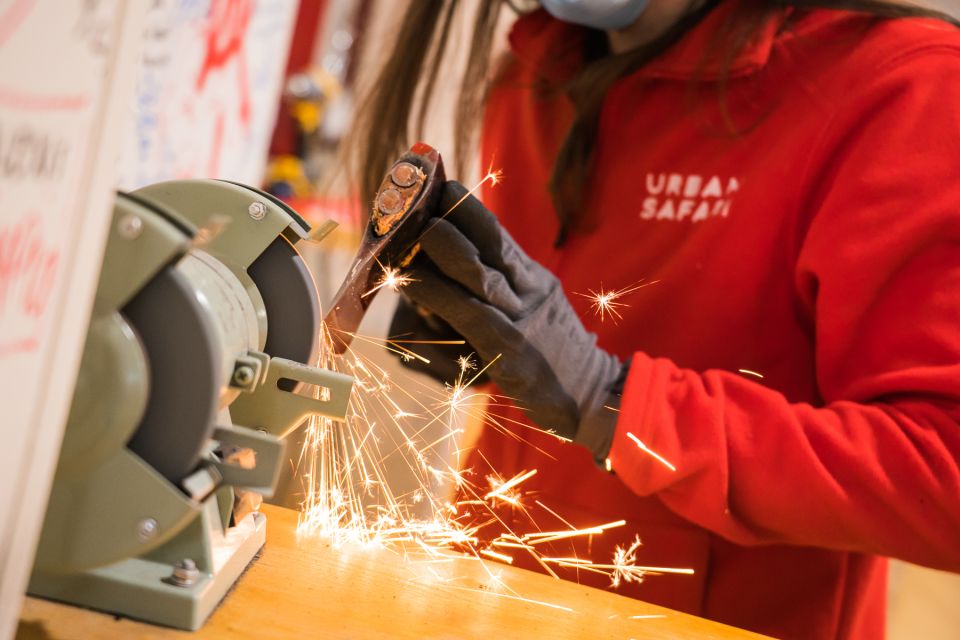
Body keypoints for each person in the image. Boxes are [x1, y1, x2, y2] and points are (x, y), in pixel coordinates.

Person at [346, 0, 960, 637]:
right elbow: (571, 350)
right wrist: (477, 339)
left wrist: (618, 408)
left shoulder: (902, 87)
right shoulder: (535, 75)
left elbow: (945, 486)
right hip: (487, 604)